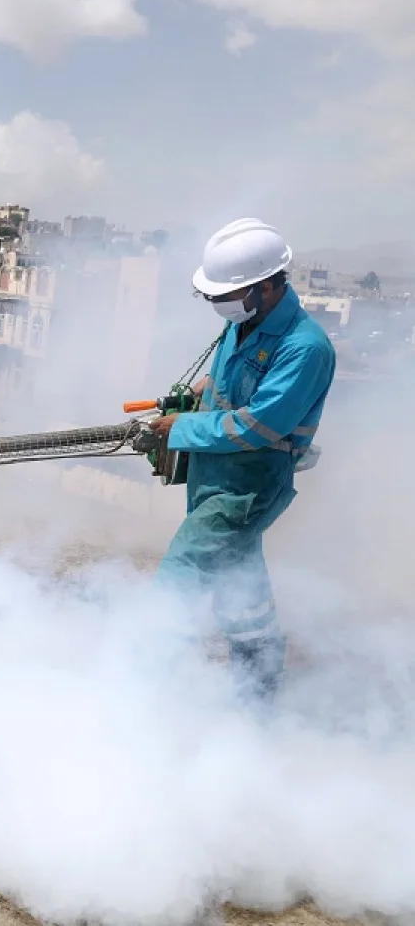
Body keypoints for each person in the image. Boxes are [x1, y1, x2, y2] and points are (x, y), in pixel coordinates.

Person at [149, 218, 335, 699]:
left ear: (268, 287)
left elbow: (261, 424)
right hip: (215, 471)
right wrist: (198, 394)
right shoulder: (243, 324)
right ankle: (260, 685)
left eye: (226, 295)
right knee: (240, 586)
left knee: (183, 569)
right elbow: (229, 386)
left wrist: (182, 429)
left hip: (249, 484)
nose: (218, 305)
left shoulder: (305, 347)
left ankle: (143, 674)